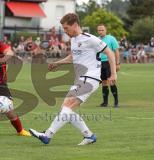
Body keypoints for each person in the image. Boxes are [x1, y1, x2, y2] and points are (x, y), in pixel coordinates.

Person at [29, 13, 117, 145]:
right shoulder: (74, 40)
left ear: (75, 25)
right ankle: (89, 136)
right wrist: (58, 63)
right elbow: (72, 57)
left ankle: (47, 135)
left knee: (67, 106)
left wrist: (114, 73)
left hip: (90, 78)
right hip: (81, 79)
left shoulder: (90, 39)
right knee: (66, 109)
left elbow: (109, 52)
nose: (65, 31)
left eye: (66, 28)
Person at [97, 24, 120, 107]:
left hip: (109, 62)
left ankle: (116, 102)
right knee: (103, 82)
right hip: (100, 63)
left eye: (102, 30)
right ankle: (105, 102)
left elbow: (116, 51)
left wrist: (117, 63)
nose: (100, 32)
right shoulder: (96, 40)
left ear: (105, 30)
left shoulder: (111, 38)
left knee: (112, 81)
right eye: (99, 30)